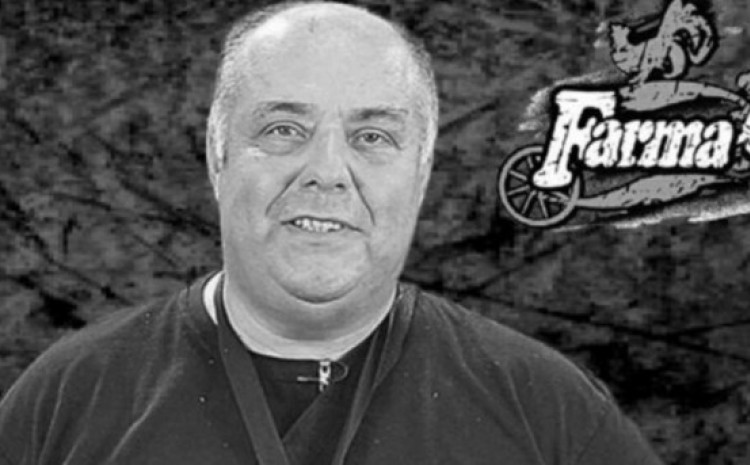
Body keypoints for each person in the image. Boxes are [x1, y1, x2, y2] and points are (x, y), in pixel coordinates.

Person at [0, 2, 663, 464]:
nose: (326, 172)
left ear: (421, 172)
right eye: (283, 129)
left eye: (372, 136)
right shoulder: (65, 400)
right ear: (218, 153)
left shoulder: (546, 410)